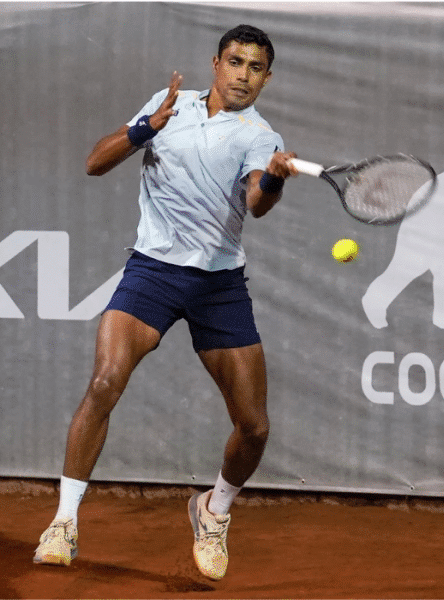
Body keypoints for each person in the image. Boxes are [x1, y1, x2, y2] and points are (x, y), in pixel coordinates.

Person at [33, 24, 299, 581]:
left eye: (255, 68)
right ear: (215, 63)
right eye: (235, 62)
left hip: (217, 285)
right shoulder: (167, 104)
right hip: (152, 272)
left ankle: (213, 511)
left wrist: (273, 180)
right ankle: (63, 521)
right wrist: (144, 128)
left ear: (267, 78)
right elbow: (94, 162)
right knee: (105, 382)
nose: (243, 75)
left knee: (254, 428)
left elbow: (256, 204)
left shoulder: (259, 135)